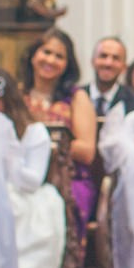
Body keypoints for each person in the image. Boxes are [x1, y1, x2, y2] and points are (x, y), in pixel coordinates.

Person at [0, 69, 66, 268]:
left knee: (9, 206)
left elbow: (32, 182)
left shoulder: (34, 132)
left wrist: (10, 151)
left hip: (22, 195)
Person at [21, 28, 97, 228]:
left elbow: (87, 150)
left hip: (69, 178)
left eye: (59, 56)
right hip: (24, 176)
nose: (51, 60)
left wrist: (44, 145)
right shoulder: (18, 96)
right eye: (46, 52)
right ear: (32, 55)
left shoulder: (76, 98)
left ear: (67, 64)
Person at [84, 35, 134, 118]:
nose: (108, 63)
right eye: (103, 56)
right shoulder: (73, 98)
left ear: (124, 67)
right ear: (92, 61)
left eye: (116, 58)